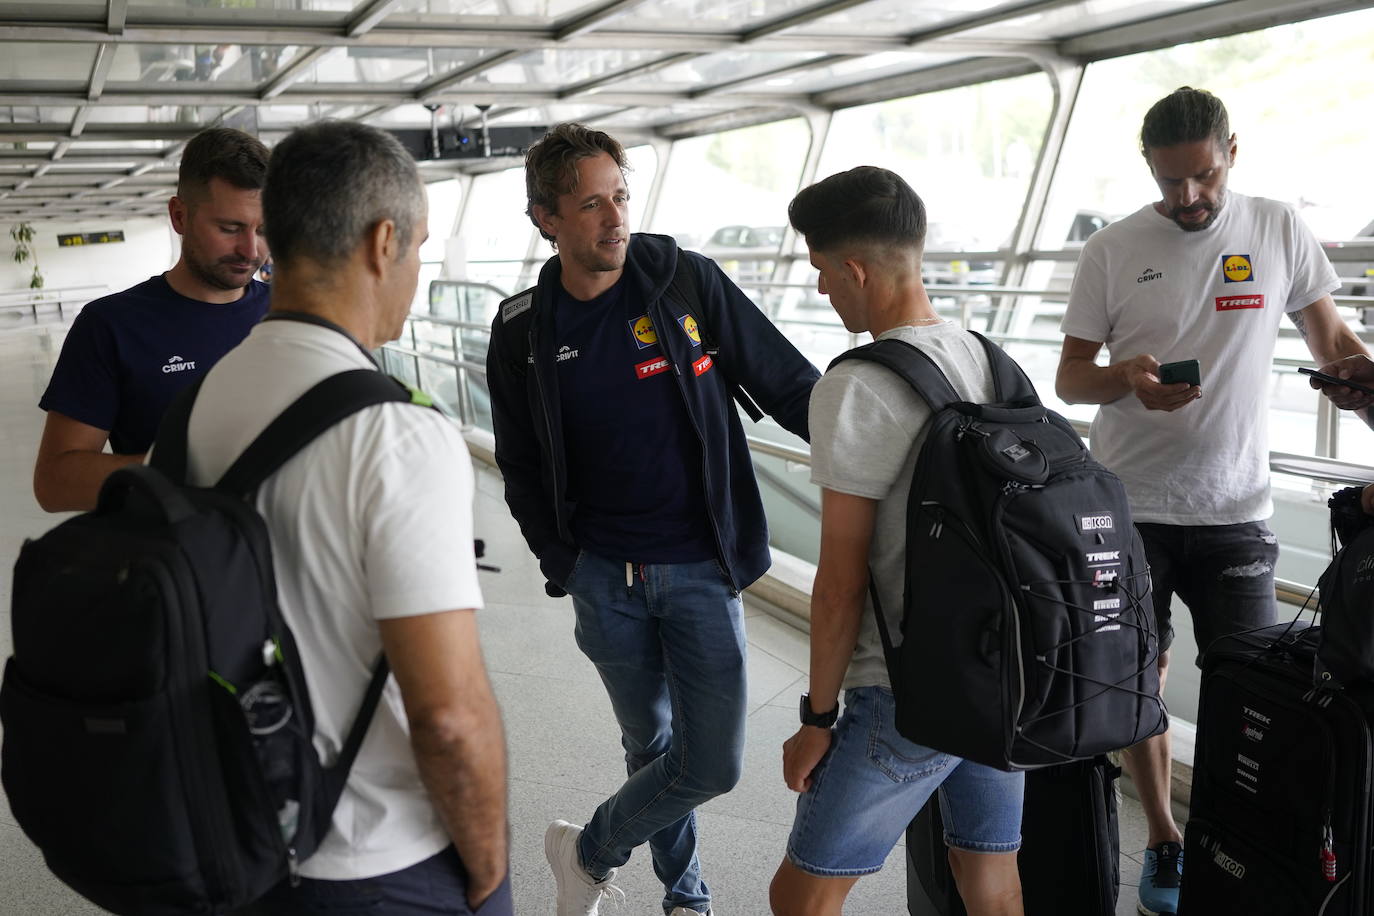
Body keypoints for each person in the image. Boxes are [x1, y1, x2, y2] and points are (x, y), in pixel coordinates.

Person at [486, 122, 819, 916]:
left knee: (711, 765)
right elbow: (520, 463)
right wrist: (563, 562)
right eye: (592, 204)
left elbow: (791, 386)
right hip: (605, 578)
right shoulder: (523, 330)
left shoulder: (683, 283)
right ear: (547, 219)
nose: (614, 219)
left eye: (621, 197)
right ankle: (688, 899)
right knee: (651, 749)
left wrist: (888, 441)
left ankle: (588, 849)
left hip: (702, 568)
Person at [1055, 86, 1371, 916]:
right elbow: (1069, 375)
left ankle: (1246, 847)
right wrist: (1124, 381)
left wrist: (1358, 379)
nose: (1187, 198)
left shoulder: (1275, 227)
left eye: (1202, 176)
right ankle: (1164, 837)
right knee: (1135, 680)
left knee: (1259, 685)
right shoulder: (1114, 248)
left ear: (1232, 149)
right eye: (1170, 183)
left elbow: (1332, 340)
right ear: (1148, 169)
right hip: (1130, 506)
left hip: (1236, 507)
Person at [187, 121, 511, 915]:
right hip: (379, 861)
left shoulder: (203, 400)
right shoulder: (400, 434)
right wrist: (490, 861)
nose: (418, 271)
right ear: (383, 242)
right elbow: (448, 715)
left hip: (244, 835)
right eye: (420, 248)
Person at [768, 166, 1024, 916]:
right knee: (992, 884)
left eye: (821, 272)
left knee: (801, 898)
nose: (822, 291)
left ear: (855, 268)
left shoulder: (856, 386)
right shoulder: (990, 360)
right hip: (1000, 678)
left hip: (905, 694)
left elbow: (841, 583)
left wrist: (816, 722)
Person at [33, 126, 272, 512]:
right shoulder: (111, 326)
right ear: (179, 216)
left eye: (263, 230)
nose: (250, 249)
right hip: (185, 563)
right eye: (229, 228)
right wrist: (196, 467)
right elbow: (55, 483)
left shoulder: (295, 311)